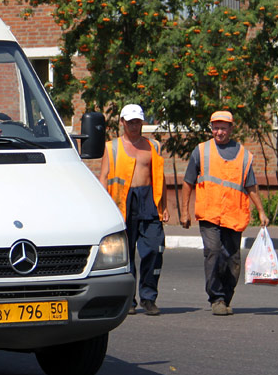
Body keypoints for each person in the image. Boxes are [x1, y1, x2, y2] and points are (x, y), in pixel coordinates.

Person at [179, 110, 269, 316]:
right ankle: (216, 298)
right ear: (211, 128)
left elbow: (251, 185)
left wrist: (261, 211)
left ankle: (226, 296)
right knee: (213, 252)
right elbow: (188, 182)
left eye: (223, 127)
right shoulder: (201, 151)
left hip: (234, 215)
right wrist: (184, 212)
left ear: (231, 128)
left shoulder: (244, 155)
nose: (219, 132)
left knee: (233, 259)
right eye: (215, 127)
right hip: (209, 213)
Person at [98, 104, 168, 316]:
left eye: (137, 122)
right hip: (122, 203)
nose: (134, 126)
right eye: (130, 122)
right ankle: (129, 299)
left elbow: (160, 177)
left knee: (154, 251)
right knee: (125, 255)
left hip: (148, 202)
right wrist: (103, 207)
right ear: (122, 122)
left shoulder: (153, 146)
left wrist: (163, 206)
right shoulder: (112, 147)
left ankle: (149, 298)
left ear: (142, 122)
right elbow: (103, 176)